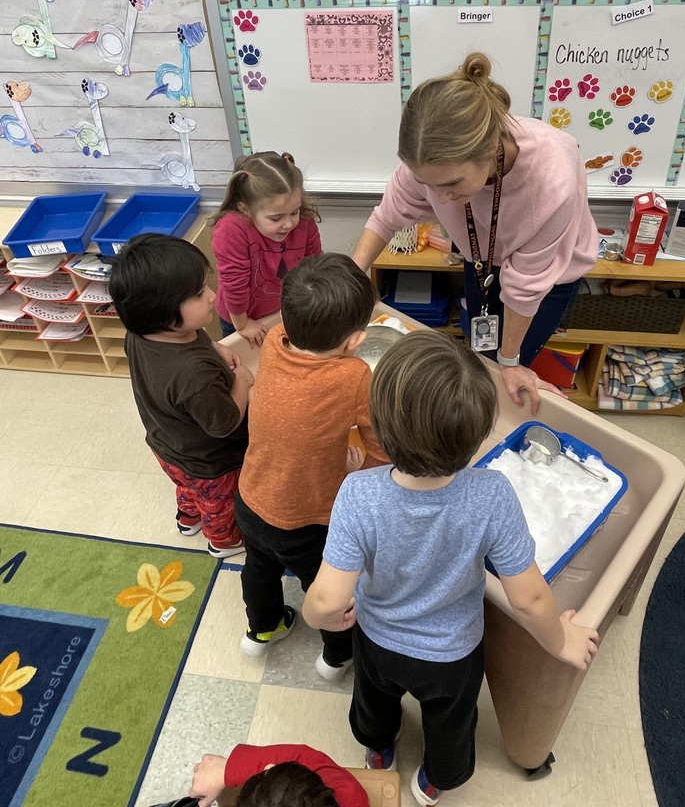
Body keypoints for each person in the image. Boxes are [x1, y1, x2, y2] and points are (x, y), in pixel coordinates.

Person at [303, 330, 599, 807]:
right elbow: (530, 597)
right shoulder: (492, 494)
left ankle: (378, 749)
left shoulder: (358, 493)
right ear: (482, 435)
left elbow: (326, 599)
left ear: (378, 423)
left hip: (379, 640)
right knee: (451, 721)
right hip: (451, 654)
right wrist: (560, 641)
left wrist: (322, 619)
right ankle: (436, 779)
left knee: (373, 700)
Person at [351, 52, 599, 413]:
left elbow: (526, 286)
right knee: (480, 354)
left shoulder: (551, 173)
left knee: (506, 369)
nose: (439, 198)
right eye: (426, 183)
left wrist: (512, 362)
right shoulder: (431, 160)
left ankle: (492, 418)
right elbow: (388, 215)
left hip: (548, 276)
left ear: (489, 150)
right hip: (482, 260)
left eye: (451, 184)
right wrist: (351, 277)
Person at [235, 252, 388, 678]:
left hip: (250, 498)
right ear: (356, 341)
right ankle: (337, 656)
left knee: (259, 568)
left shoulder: (274, 340)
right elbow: (379, 444)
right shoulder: (355, 375)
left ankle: (260, 630)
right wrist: (362, 474)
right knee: (325, 587)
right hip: (307, 519)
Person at [109, 233, 253, 558]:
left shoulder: (141, 333)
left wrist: (214, 347)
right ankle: (223, 541)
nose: (214, 296)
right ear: (164, 314)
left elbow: (190, 338)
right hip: (211, 461)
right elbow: (224, 422)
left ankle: (188, 518)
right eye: (200, 294)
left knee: (188, 488)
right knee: (219, 502)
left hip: (166, 446)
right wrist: (242, 381)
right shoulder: (193, 374)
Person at [211, 151, 322, 347]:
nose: (288, 224)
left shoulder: (303, 217)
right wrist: (243, 325)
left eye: (293, 212)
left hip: (284, 310)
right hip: (240, 317)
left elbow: (315, 266)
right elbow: (234, 284)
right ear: (246, 209)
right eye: (276, 218)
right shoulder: (231, 229)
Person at [187, 745, 368, 807]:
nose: (269, 765)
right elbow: (306, 756)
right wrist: (227, 769)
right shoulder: (351, 795)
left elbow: (302, 756)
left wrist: (230, 768)